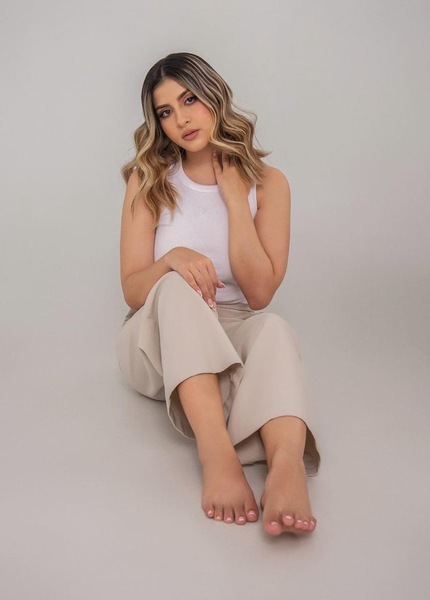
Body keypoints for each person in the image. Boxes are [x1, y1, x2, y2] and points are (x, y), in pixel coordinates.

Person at [115, 52, 321, 537]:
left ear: (215, 96)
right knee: (175, 287)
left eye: (190, 100)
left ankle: (287, 467)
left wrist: (234, 199)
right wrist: (172, 259)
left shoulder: (269, 184)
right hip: (155, 340)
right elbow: (132, 292)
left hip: (228, 335)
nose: (181, 119)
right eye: (166, 111)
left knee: (275, 328)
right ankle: (217, 456)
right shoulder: (149, 180)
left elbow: (260, 292)